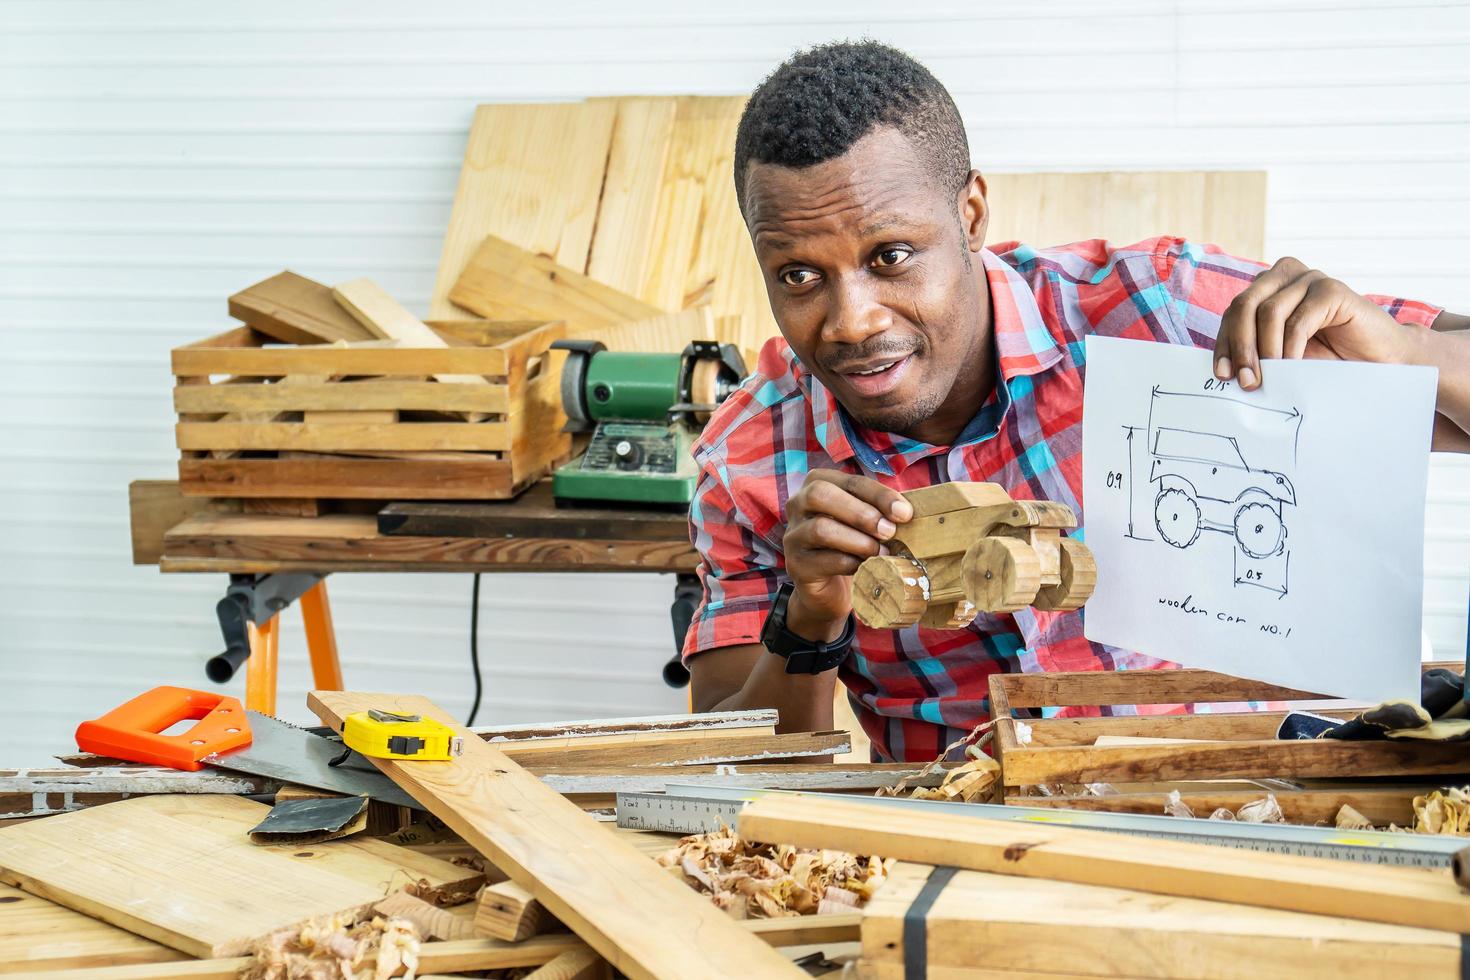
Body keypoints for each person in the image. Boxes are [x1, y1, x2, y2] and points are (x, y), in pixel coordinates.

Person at [682, 40, 1470, 762]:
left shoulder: (1160, 313)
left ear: (971, 214)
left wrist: (1408, 356)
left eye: (891, 257)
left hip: (1269, 805)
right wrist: (811, 614)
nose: (852, 321)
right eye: (798, 276)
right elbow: (728, 754)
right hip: (978, 854)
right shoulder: (751, 458)